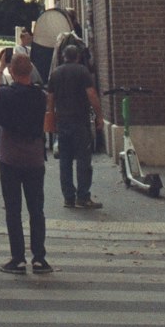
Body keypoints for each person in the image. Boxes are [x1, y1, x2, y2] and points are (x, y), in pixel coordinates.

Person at [0, 51, 52, 275]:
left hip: (9, 158)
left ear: (11, 71)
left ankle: (17, 258)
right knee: (37, 209)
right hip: (34, 158)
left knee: (13, 209)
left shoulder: (3, 95)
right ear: (30, 71)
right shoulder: (41, 96)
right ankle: (39, 258)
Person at [46, 42, 105, 209]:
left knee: (64, 161)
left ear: (63, 57)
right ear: (78, 57)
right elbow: (91, 94)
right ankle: (83, 196)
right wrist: (99, 116)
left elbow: (50, 98)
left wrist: (52, 118)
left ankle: (68, 198)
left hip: (62, 122)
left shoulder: (55, 73)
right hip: (80, 122)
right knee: (83, 160)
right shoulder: (82, 71)